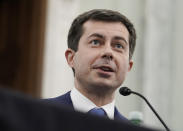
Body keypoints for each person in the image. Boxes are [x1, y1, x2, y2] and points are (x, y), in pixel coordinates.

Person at [47, 9, 136, 121]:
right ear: (71, 58)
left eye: (118, 46)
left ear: (129, 66)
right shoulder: (34, 115)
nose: (108, 53)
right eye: (96, 42)